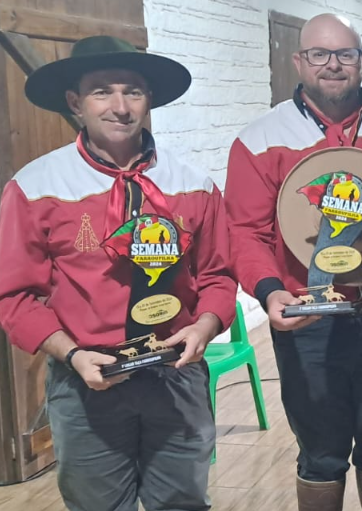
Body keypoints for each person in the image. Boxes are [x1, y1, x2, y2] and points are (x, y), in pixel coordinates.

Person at [0, 36, 235, 510]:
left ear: (149, 100)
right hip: (86, 378)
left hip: (176, 373)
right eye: (102, 91)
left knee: (183, 503)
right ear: (75, 102)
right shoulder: (35, 187)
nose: (120, 106)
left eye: (133, 91)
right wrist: (72, 355)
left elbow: (218, 276)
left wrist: (204, 326)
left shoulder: (193, 183)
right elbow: (14, 296)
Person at [225, 13, 362, 511]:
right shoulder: (261, 139)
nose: (332, 65)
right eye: (320, 54)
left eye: (344, 55)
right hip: (307, 317)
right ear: (299, 61)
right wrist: (271, 290)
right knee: (320, 453)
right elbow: (243, 233)